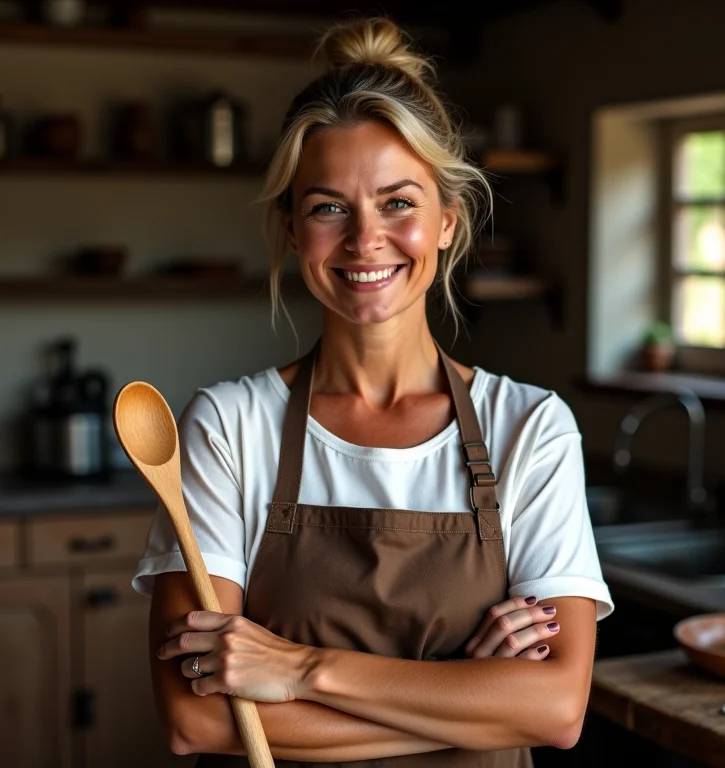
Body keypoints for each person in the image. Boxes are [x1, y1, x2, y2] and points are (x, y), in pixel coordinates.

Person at [132, 16, 614, 767]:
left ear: (448, 221)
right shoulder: (229, 428)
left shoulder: (529, 427)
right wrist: (471, 696)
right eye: (328, 207)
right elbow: (198, 722)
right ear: (292, 229)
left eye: (398, 203)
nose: (365, 240)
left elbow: (555, 709)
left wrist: (298, 671)